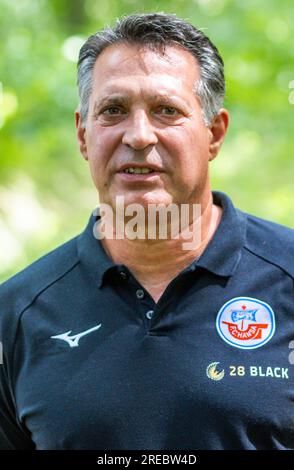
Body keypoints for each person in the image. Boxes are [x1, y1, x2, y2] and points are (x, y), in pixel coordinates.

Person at [0, 12, 293, 450]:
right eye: (113, 110)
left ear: (214, 133)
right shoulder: (16, 315)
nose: (138, 135)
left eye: (166, 111)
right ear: (83, 135)